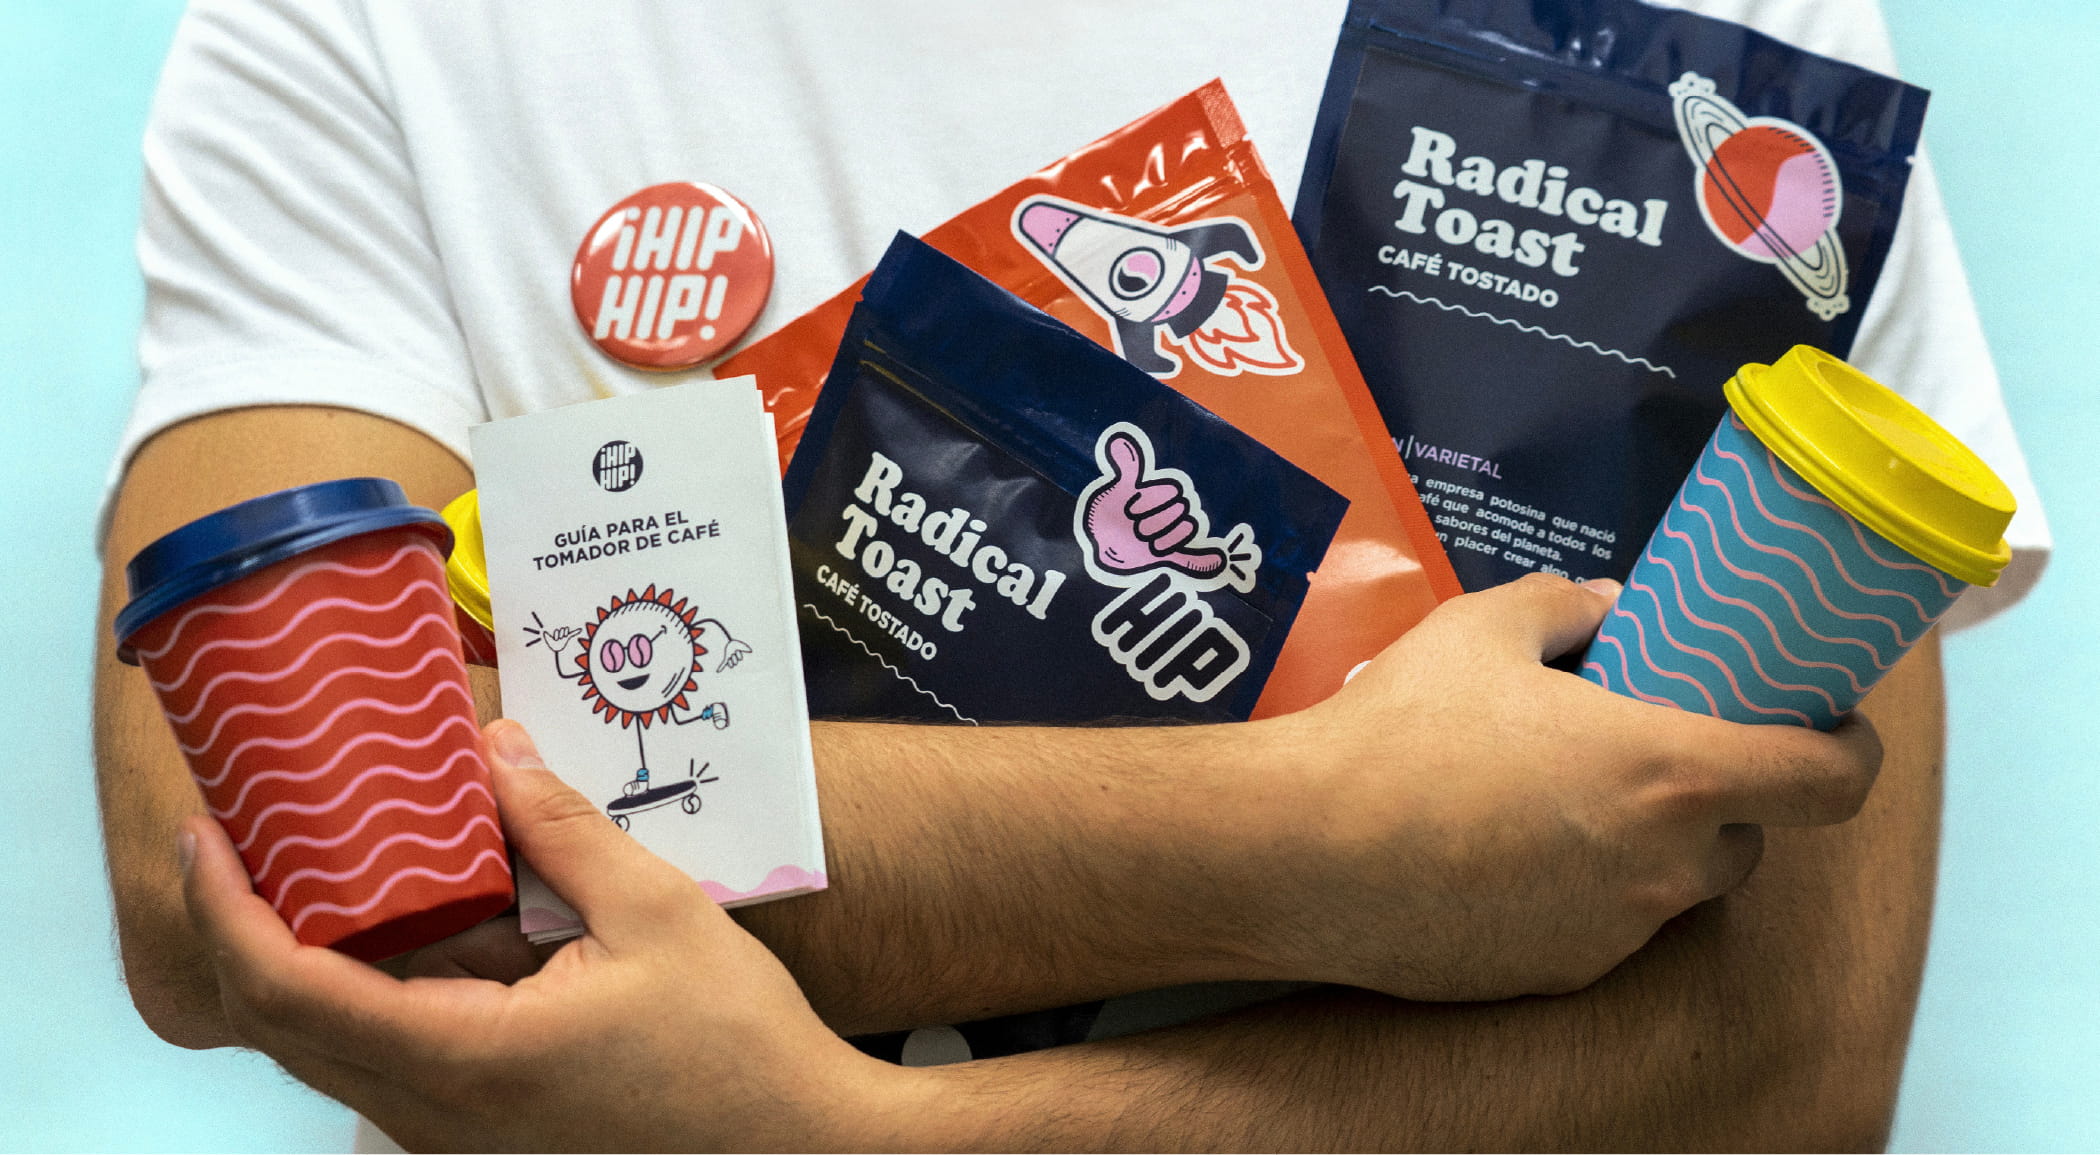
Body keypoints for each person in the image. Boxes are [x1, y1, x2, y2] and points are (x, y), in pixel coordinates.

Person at [95, 0, 2049, 1148]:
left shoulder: (1729, 54)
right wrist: (1313, 840)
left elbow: (1785, 1060)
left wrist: (858, 1141)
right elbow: (259, 864)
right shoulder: (372, 31)